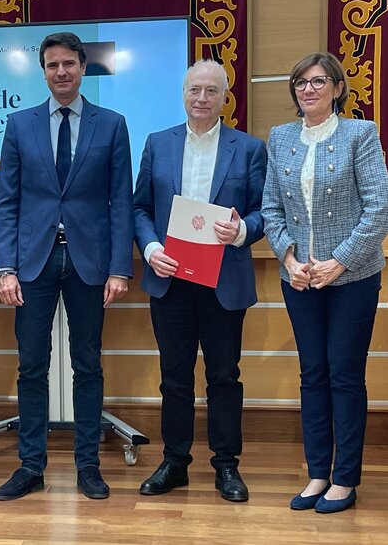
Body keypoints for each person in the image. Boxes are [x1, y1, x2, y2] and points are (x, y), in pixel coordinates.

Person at [0, 31, 133, 501]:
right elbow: (7, 202)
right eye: (52, 65)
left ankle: (87, 466)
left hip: (90, 262)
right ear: (44, 70)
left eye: (69, 64)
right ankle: (30, 465)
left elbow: (120, 203)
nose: (61, 72)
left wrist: (119, 267)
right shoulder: (20, 124)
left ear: (82, 65)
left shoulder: (111, 124)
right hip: (32, 263)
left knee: (87, 366)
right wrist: (4, 267)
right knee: (31, 366)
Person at [262, 52, 388, 513]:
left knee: (344, 376)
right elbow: (272, 209)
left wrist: (338, 263)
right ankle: (318, 473)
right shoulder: (279, 138)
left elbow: (381, 210)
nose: (308, 90)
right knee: (312, 375)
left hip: (353, 278)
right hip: (298, 279)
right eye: (300, 82)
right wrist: (289, 256)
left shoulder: (361, 133)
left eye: (318, 81)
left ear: (337, 87)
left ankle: (345, 479)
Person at [132, 60, 266, 503]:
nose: (202, 99)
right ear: (183, 94)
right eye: (194, 90)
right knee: (174, 377)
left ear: (225, 97)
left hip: (223, 280)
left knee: (224, 376)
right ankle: (175, 462)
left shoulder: (248, 149)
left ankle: (227, 465)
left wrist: (242, 230)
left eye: (211, 91)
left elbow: (266, 211)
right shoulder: (158, 143)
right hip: (170, 278)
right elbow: (140, 209)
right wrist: (151, 250)